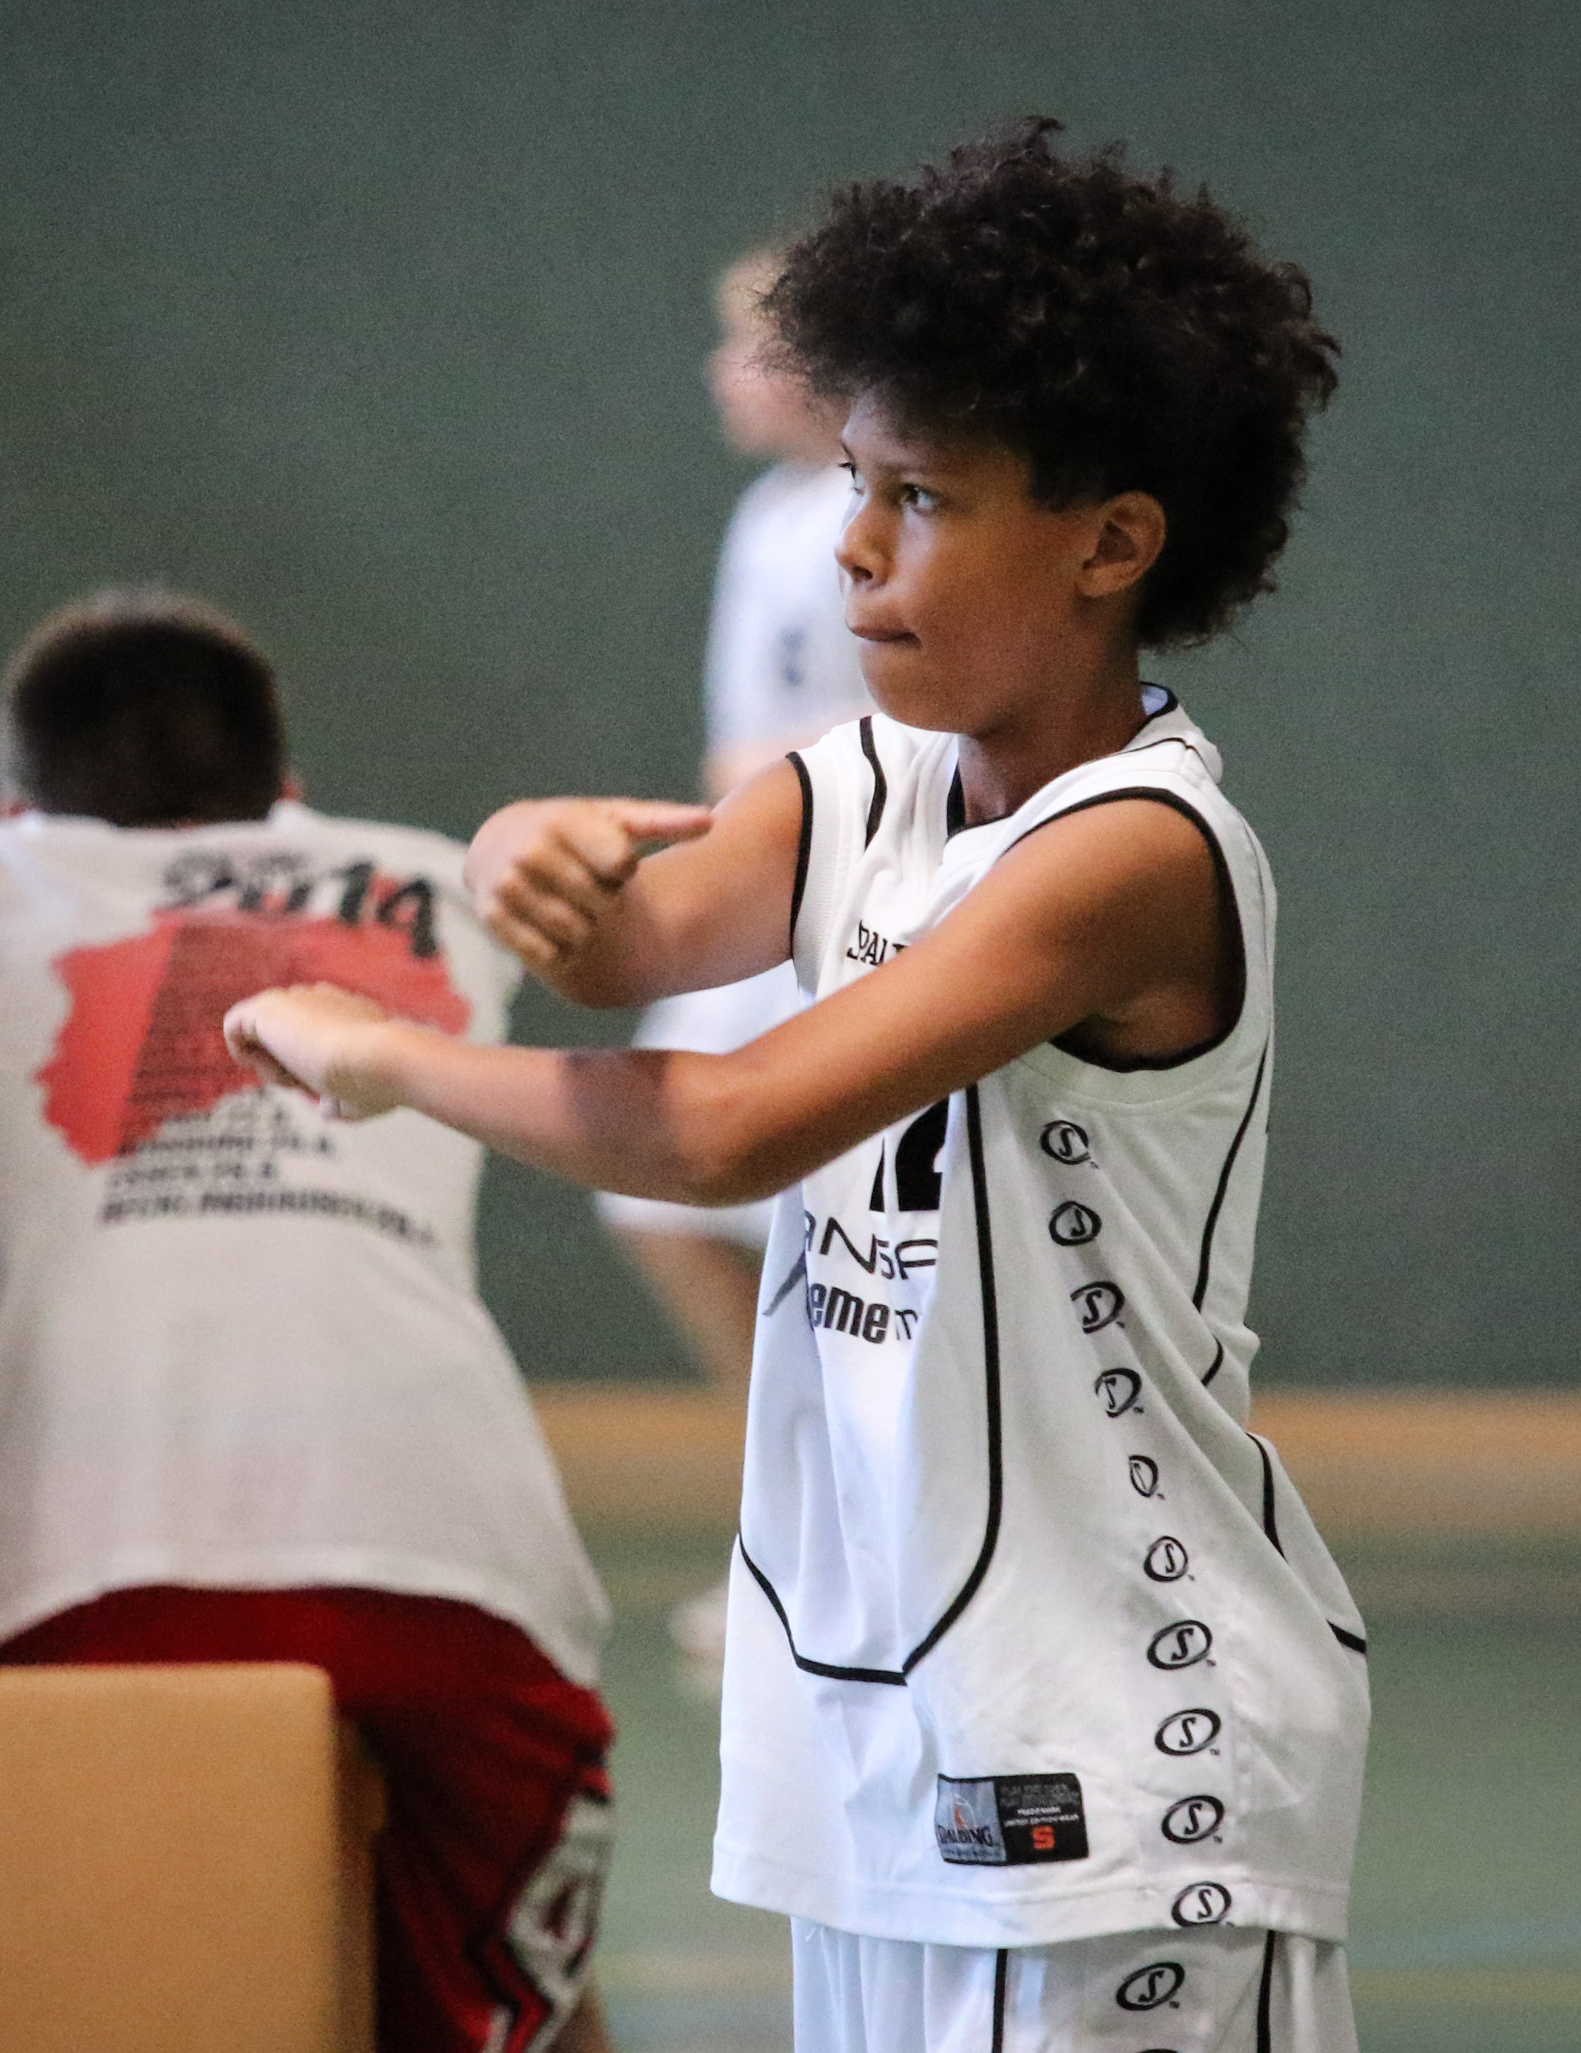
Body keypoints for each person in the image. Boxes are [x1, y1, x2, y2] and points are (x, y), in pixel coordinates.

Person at [229, 123, 1365, 2051]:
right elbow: (632, 940)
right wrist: (524, 852)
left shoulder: (1131, 853)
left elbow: (726, 1125)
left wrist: (391, 1056)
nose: (849, 544)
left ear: (1108, 543)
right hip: (884, 1741)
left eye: (917, 497)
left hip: (1117, 1743)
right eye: (854, 479)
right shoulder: (859, 780)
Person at [0, 591, 616, 2053]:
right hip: (461, 1570)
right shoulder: (433, 875)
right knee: (535, 2017)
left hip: (84, 1572)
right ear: (292, 795)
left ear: (15, 810)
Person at [600, 246, 869, 1398]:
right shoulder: (767, 514)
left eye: (748, 348)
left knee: (850, 1218)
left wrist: (788, 771)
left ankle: (862, 1484)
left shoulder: (887, 505)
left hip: (859, 889)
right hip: (765, 879)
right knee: (648, 1192)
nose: (721, 372)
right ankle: (794, 1471)